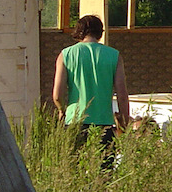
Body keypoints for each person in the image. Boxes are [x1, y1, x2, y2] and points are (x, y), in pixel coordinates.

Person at [52, 14, 130, 165]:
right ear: (100, 32)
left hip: (75, 123)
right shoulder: (114, 56)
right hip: (104, 124)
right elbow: (122, 95)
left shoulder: (66, 55)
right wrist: (124, 122)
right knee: (104, 173)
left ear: (79, 31)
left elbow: (57, 95)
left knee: (74, 173)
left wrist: (62, 110)